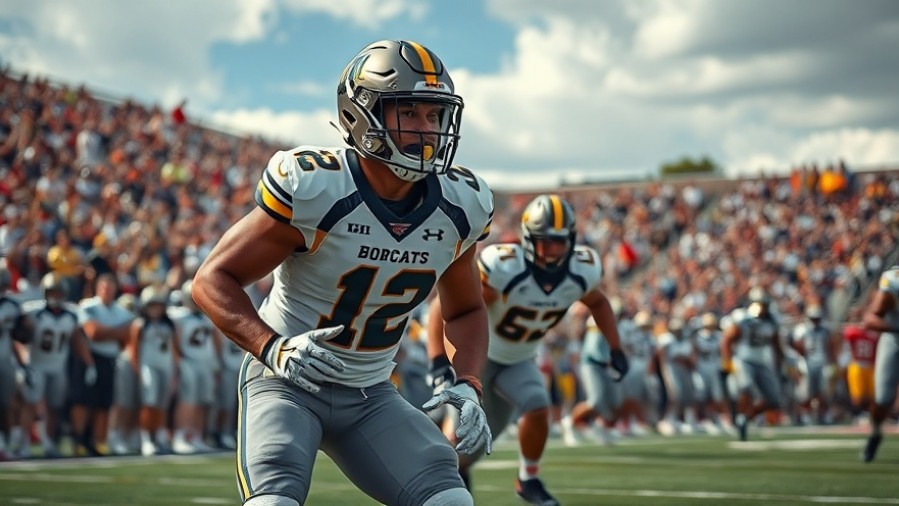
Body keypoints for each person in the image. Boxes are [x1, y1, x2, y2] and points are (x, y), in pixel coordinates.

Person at [192, 39, 494, 506]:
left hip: (371, 391)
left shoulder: (459, 206)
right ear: (363, 114)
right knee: (273, 501)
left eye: (435, 115)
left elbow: (468, 309)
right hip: (286, 381)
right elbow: (212, 279)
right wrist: (272, 348)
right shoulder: (318, 186)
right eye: (409, 113)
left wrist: (468, 382)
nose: (427, 129)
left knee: (451, 500)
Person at [427, 194, 628, 506]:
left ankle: (528, 479)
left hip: (518, 358)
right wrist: (438, 357)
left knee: (537, 406)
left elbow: (598, 302)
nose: (550, 251)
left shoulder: (580, 271)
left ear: (571, 241)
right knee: (459, 445)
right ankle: (438, 481)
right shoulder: (505, 269)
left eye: (558, 243)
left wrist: (616, 348)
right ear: (528, 240)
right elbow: (448, 306)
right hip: (477, 357)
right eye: (543, 242)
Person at [71, 273, 133, 456]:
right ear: (98, 288)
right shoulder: (88, 306)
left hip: (109, 359)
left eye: (110, 287)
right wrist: (115, 332)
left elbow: (128, 335)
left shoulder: (122, 311)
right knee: (83, 401)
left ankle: (98, 442)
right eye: (103, 287)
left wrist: (106, 332)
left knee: (104, 404)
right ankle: (78, 441)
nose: (106, 290)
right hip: (89, 358)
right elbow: (92, 333)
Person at [720, 287, 783, 441]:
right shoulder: (742, 318)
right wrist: (727, 363)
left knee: (774, 399)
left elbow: (777, 346)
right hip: (744, 359)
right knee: (746, 387)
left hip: (762, 361)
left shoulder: (773, 321)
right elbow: (727, 340)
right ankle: (740, 417)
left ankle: (746, 417)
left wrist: (780, 366)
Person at [861, 265, 898, 463]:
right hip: (895, 339)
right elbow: (870, 318)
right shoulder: (894, 280)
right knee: (883, 397)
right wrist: (894, 327)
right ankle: (875, 433)